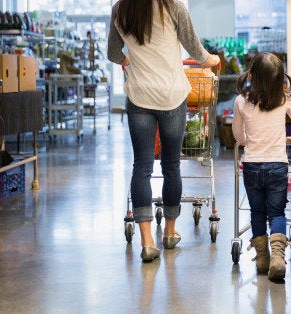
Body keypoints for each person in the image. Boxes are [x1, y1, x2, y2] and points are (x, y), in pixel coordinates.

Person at [107, 0, 220, 262]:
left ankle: (147, 241)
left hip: (139, 96)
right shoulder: (174, 7)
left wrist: (130, 61)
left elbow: (113, 54)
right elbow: (195, 49)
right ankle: (169, 232)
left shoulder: (120, 9)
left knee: (142, 167)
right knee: (171, 166)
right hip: (171, 95)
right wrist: (211, 59)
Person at [232, 52, 291, 280]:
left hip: (252, 166)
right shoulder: (284, 100)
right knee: (277, 212)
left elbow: (238, 134)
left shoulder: (241, 101)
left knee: (257, 212)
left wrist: (246, 140)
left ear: (252, 76)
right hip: (277, 165)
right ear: (279, 79)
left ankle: (263, 258)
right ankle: (278, 257)